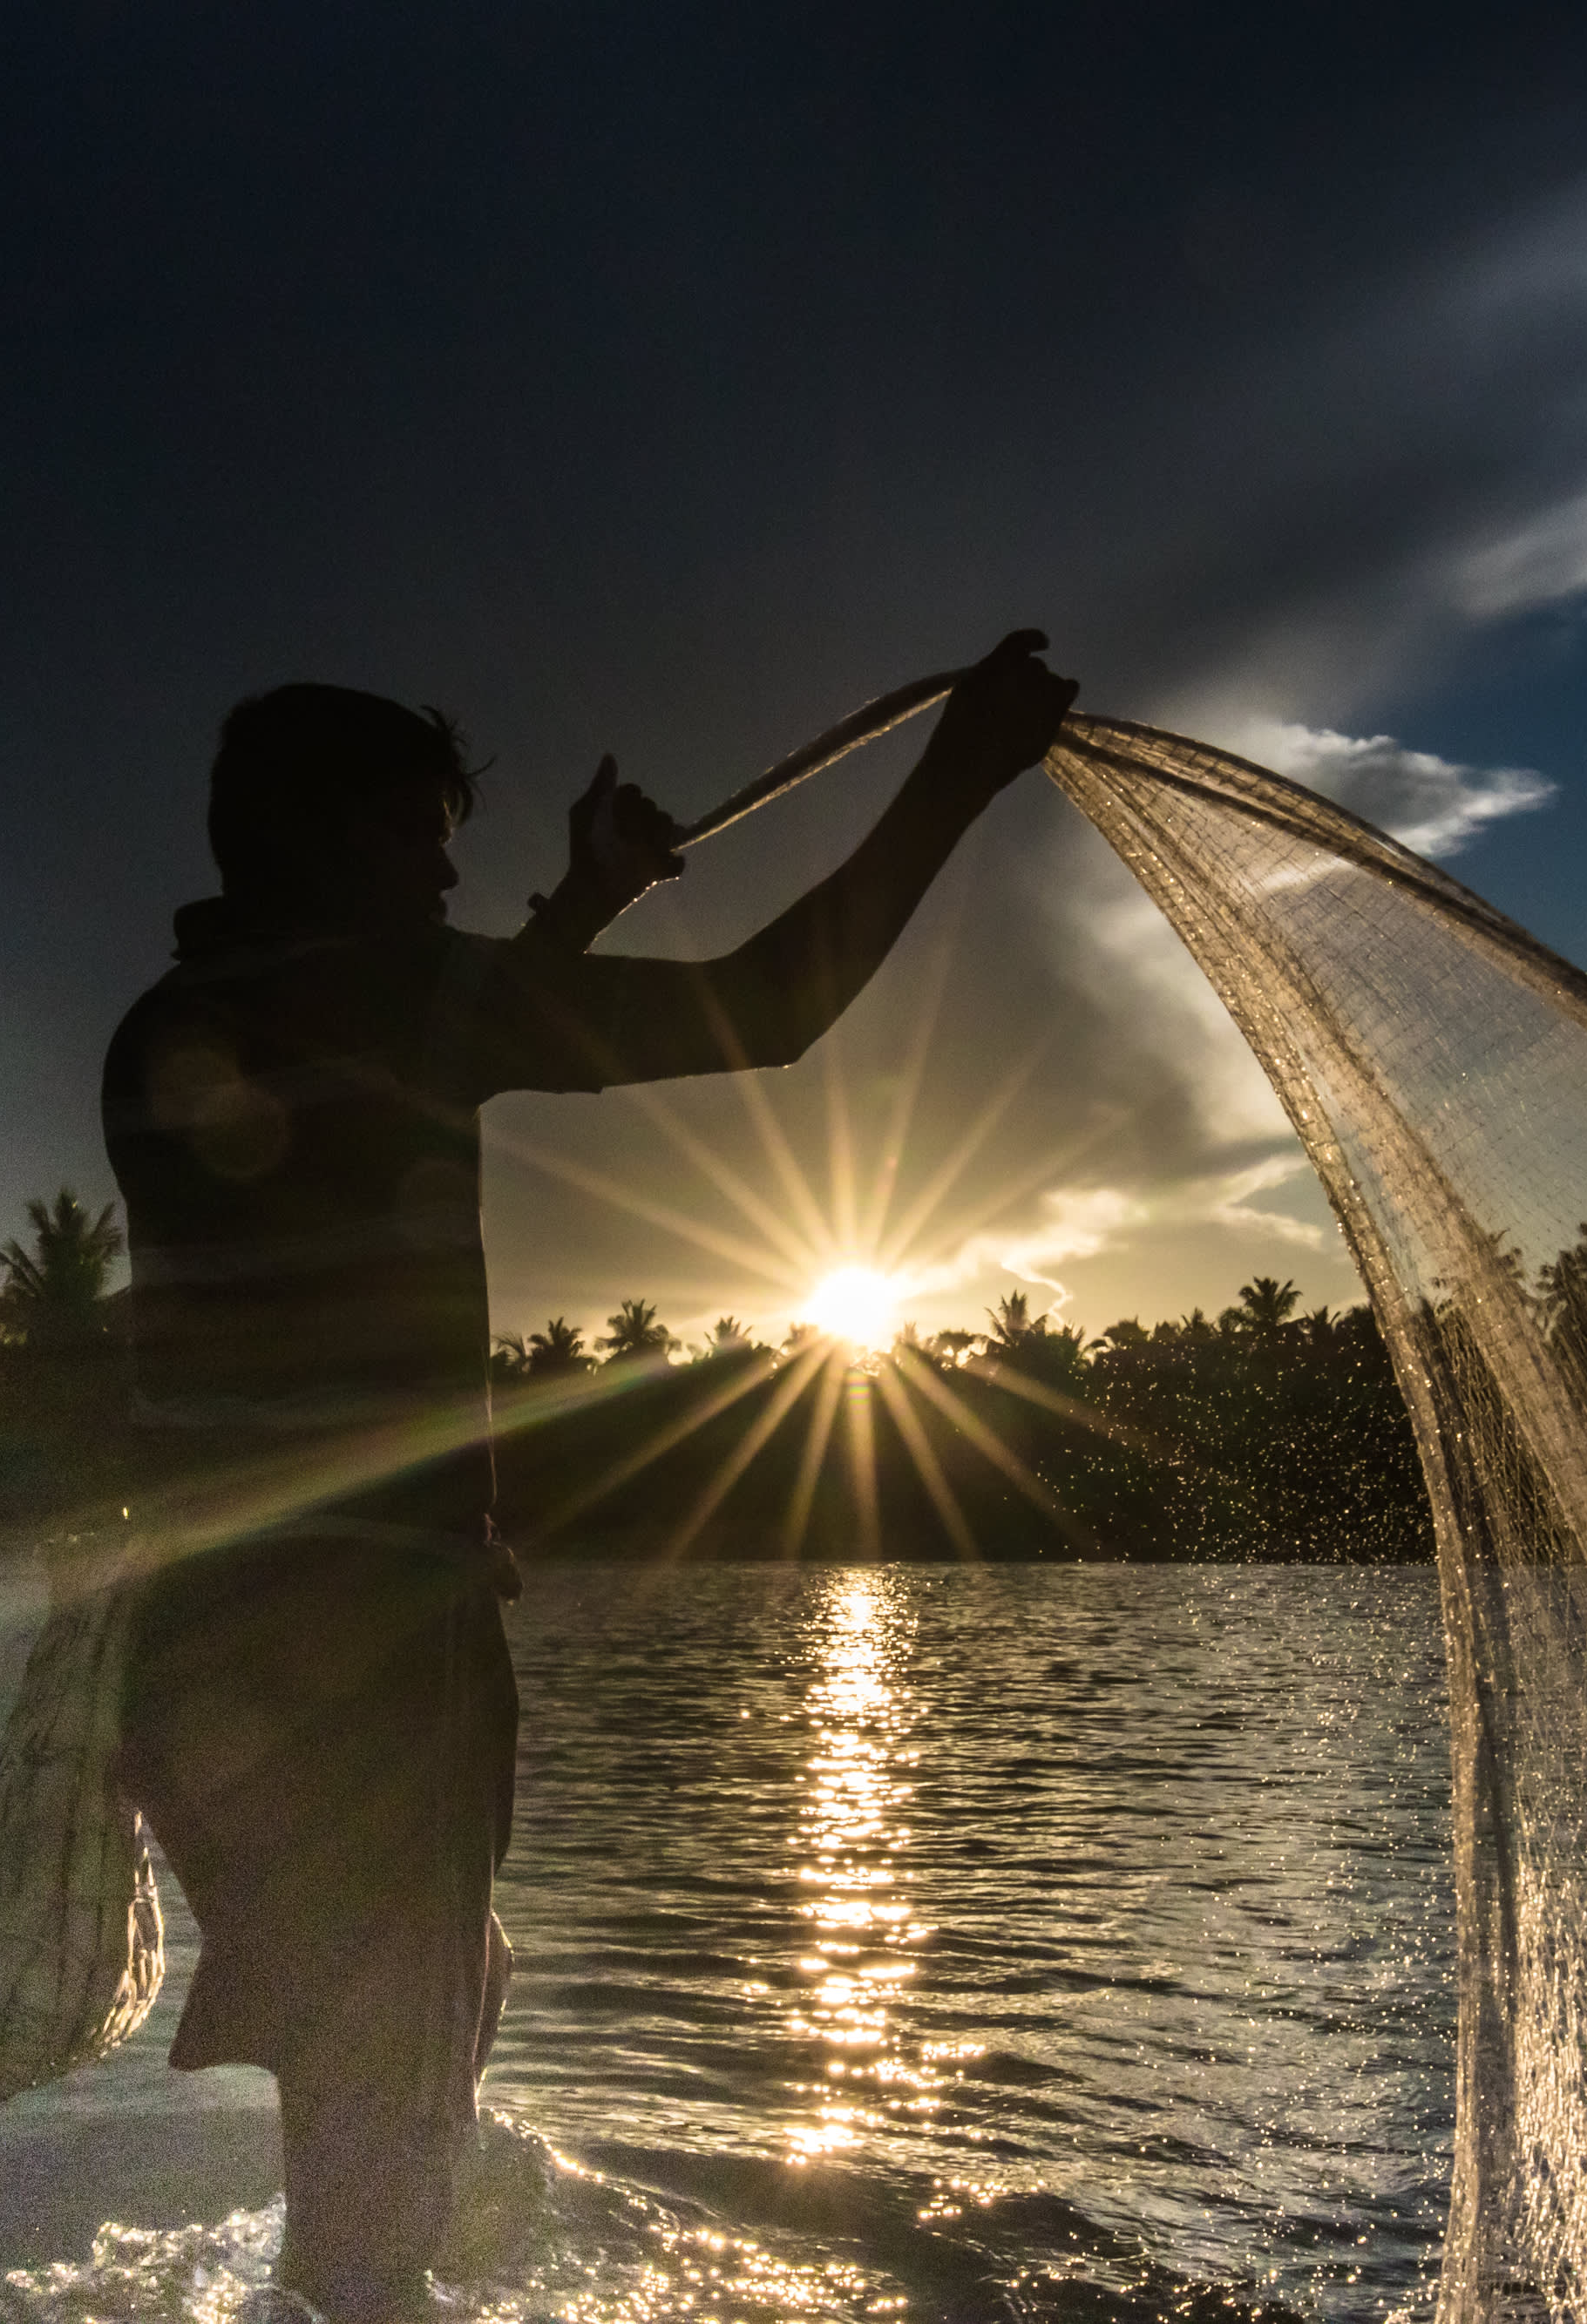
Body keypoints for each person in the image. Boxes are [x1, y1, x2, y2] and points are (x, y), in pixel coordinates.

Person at [97, 631, 1076, 2320]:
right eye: (418, 839)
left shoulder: (169, 1022)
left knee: (369, 2054)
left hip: (201, 1653)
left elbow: (412, 1067)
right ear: (329, 840)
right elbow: (771, 1006)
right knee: (383, 2131)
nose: (444, 872)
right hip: (371, 1654)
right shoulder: (395, 997)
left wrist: (575, 916)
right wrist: (960, 771)